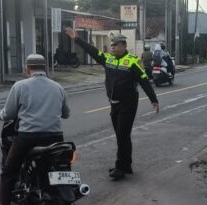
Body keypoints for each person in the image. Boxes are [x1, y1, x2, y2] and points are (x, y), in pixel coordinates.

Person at [64, 27, 159, 180]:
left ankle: (120, 168)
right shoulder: (108, 59)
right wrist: (77, 39)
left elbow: (144, 81)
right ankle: (126, 164)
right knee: (122, 136)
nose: (112, 47)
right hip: (114, 104)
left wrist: (153, 100)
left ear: (124, 46)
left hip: (128, 104)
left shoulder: (132, 62)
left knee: (122, 135)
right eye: (112, 45)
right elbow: (92, 51)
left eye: (115, 45)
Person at [0, 54, 71, 205]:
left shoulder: (20, 86)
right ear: (45, 68)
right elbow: (66, 114)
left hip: (28, 137)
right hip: (55, 136)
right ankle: (68, 199)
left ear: (27, 69)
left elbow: (9, 114)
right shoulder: (58, 87)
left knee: (8, 171)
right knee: (59, 164)